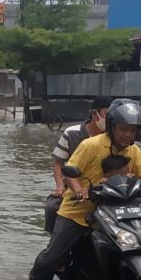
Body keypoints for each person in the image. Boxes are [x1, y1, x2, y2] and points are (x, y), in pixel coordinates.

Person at [30, 99, 141, 280]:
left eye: (132, 130)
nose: (128, 135)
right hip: (78, 211)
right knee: (51, 258)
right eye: (123, 129)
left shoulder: (133, 150)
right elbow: (69, 171)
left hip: (116, 211)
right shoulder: (90, 145)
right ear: (112, 127)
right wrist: (79, 189)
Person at [43, 96, 113, 233]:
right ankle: (55, 241)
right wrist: (60, 187)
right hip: (74, 190)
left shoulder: (114, 137)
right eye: (107, 114)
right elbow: (58, 164)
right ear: (94, 114)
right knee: (52, 208)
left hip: (105, 191)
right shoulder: (72, 133)